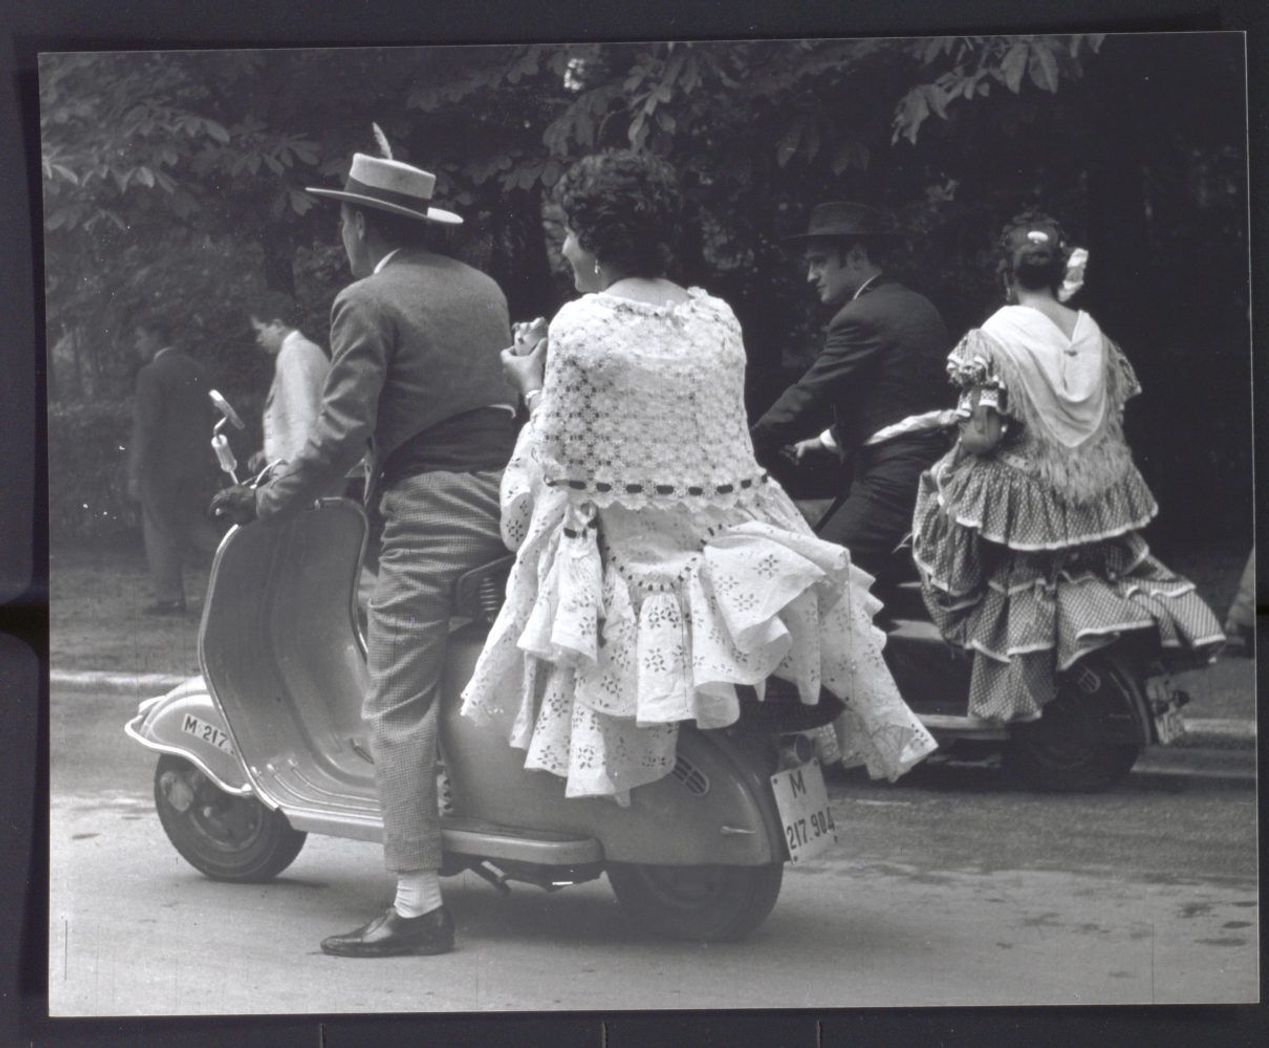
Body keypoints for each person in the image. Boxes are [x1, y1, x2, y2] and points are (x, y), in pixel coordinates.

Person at [459, 150, 936, 806]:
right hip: (725, 572)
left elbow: (558, 473)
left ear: (596, 239)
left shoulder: (580, 325)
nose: (564, 247)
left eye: (569, 231)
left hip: (632, 579)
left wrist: (531, 385)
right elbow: (713, 454)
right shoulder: (717, 320)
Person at [210, 152, 517, 958]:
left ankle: (417, 903)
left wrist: (267, 499)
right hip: (506, 501)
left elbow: (341, 432)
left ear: (355, 224)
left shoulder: (367, 299)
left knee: (396, 703)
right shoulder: (482, 290)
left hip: (429, 513)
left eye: (341, 222)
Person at [911, 213, 1225, 722]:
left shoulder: (994, 336)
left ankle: (1002, 685)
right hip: (1099, 493)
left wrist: (958, 427)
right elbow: (1110, 418)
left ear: (1006, 274)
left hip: (1030, 498)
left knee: (940, 495)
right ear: (1060, 273)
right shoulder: (1092, 333)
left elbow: (984, 436)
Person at [750, 202, 952, 601]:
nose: (811, 275)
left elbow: (807, 395)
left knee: (809, 584)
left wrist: (744, 444)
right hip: (926, 467)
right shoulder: (913, 304)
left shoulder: (861, 317)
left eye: (820, 262)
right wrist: (824, 442)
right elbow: (901, 400)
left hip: (895, 483)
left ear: (856, 257)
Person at [126, 314, 222, 614]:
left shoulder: (150, 374)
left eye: (140, 337)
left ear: (156, 337)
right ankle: (238, 566)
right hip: (196, 465)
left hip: (160, 469)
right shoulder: (196, 369)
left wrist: (134, 471)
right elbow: (208, 418)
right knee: (192, 521)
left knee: (159, 527)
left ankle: (170, 598)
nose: (136, 344)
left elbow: (146, 427)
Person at [245, 290, 328, 473]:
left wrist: (299, 474)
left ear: (277, 325)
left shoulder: (293, 354)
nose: (258, 340)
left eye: (260, 331)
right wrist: (268, 452)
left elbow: (302, 418)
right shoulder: (312, 350)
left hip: (304, 472)